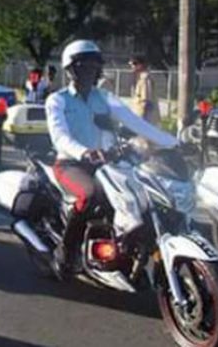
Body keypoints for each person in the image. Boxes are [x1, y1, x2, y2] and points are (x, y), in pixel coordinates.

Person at [45, 40, 178, 273]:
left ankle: (123, 244)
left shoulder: (104, 97)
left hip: (107, 163)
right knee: (89, 195)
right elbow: (60, 137)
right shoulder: (58, 100)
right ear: (71, 69)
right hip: (71, 164)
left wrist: (175, 143)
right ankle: (66, 251)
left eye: (94, 66)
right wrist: (83, 152)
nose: (89, 70)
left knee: (141, 194)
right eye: (83, 65)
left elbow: (137, 124)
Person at [129, 55, 160, 125]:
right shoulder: (139, 78)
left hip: (144, 118)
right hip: (140, 116)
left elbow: (146, 100)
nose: (132, 66)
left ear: (141, 65)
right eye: (131, 64)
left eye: (135, 63)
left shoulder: (144, 79)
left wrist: (143, 120)